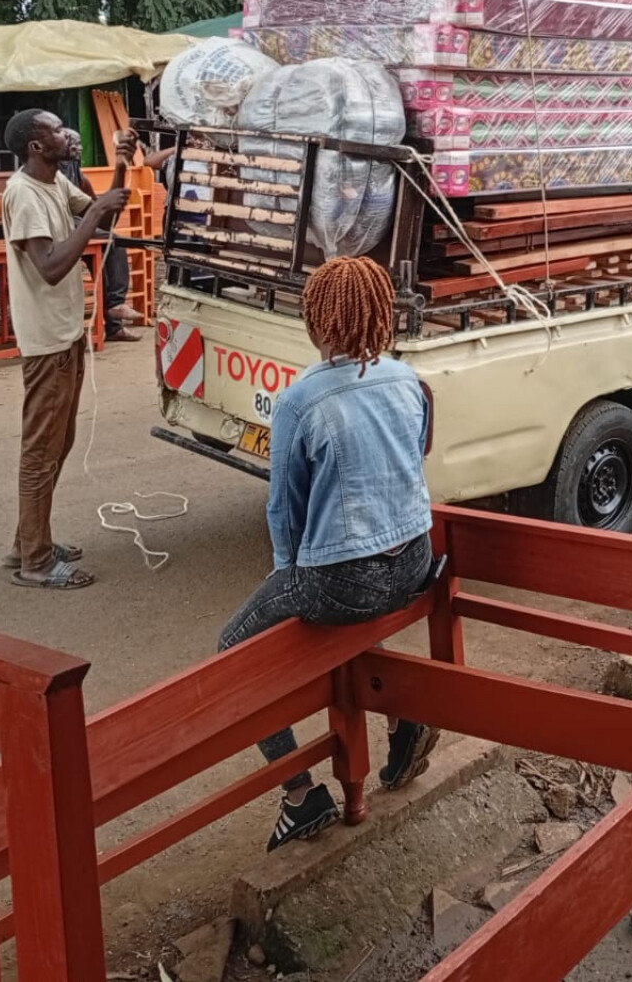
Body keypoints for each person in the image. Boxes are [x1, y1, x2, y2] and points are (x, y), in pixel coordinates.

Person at [218, 254, 441, 850]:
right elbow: (413, 458)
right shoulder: (406, 379)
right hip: (414, 561)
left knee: (233, 652)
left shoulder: (301, 401)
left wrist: (289, 586)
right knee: (352, 618)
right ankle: (404, 719)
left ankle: (300, 795)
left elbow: (283, 510)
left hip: (343, 579)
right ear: (380, 315)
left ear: (315, 320)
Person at [0, 109, 133, 589]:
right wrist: (95, 215)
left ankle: (28, 542)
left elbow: (106, 212)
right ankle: (35, 562)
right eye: (56, 130)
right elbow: (51, 266)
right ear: (36, 146)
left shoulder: (56, 181)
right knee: (41, 451)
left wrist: (121, 164)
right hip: (46, 341)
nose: (67, 134)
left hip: (66, 332)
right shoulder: (24, 193)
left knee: (59, 443)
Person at [60, 129, 139, 341]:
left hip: (78, 229)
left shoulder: (77, 175)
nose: (79, 148)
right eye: (72, 143)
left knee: (106, 251)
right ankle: (115, 308)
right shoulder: (48, 175)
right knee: (107, 240)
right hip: (60, 230)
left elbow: (101, 216)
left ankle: (114, 319)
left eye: (79, 143)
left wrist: (120, 168)